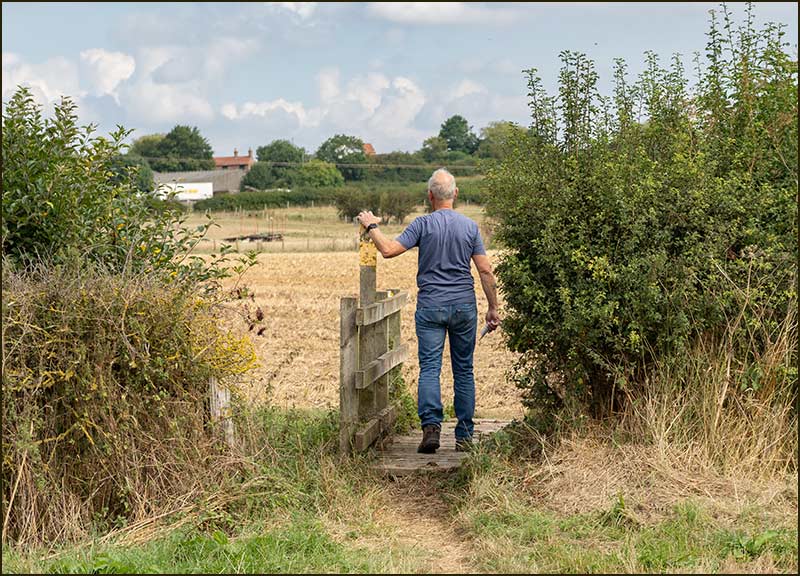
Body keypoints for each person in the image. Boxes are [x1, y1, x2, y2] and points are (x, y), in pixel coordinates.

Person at [356, 168, 500, 453]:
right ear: (456, 194)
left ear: (430, 196)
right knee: (464, 370)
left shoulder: (422, 225)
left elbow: (388, 250)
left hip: (431, 305)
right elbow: (485, 270)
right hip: (463, 306)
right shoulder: (470, 227)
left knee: (430, 369)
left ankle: (431, 429)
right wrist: (493, 308)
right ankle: (464, 435)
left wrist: (372, 226)